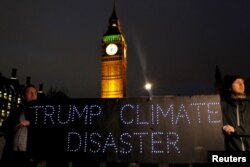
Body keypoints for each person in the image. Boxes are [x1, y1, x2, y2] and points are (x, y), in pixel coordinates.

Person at [0, 84, 38, 167]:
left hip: (27, 156)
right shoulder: (16, 111)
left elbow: (43, 128)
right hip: (12, 154)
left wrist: (30, 123)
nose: (33, 95)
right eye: (30, 92)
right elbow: (5, 127)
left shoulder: (39, 112)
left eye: (35, 93)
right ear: (24, 96)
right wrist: (13, 127)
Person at [221, 75, 250, 151]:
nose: (241, 84)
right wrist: (223, 127)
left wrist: (235, 130)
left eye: (242, 82)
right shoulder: (223, 106)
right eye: (237, 82)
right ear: (230, 87)